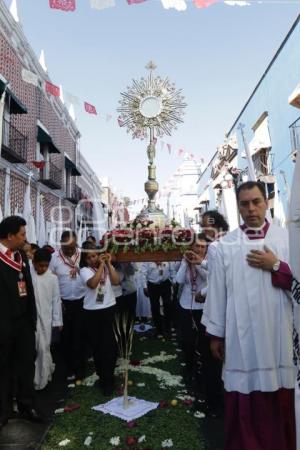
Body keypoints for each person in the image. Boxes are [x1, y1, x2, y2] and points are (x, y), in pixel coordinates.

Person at [202, 181, 296, 450]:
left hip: (280, 333)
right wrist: (216, 335)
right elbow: (217, 294)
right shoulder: (223, 247)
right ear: (238, 207)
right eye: (245, 204)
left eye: (256, 202)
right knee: (244, 396)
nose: (251, 209)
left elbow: (297, 283)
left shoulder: (286, 239)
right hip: (242, 338)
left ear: (266, 202)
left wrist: (276, 265)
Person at [0, 216, 43, 430]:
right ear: (9, 236)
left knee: (26, 365)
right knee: (3, 368)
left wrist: (32, 319)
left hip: (23, 323)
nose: (25, 238)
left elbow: (29, 288)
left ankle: (27, 406)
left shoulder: (21, 257)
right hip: (3, 324)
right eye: (22, 234)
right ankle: (4, 410)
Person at [79, 242, 120, 396]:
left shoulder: (106, 266)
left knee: (110, 346)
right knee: (97, 347)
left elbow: (116, 281)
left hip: (108, 308)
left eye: (94, 255)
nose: (92, 259)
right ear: (85, 259)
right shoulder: (84, 270)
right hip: (92, 312)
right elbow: (92, 284)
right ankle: (103, 378)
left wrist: (108, 264)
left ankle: (109, 378)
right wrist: (101, 267)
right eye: (88, 257)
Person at [49, 231, 86, 381]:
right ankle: (69, 369)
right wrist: (57, 302)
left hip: (82, 301)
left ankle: (80, 368)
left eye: (73, 247)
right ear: (61, 243)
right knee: (66, 338)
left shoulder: (82, 255)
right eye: (67, 248)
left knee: (80, 336)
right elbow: (50, 279)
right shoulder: (54, 258)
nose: (71, 251)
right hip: (63, 303)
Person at [176, 234, 208, 391]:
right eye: (197, 246)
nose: (200, 249)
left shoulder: (207, 262)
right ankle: (189, 368)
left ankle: (202, 370)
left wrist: (198, 263)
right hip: (186, 305)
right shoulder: (185, 260)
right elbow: (178, 280)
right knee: (187, 341)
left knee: (202, 341)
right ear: (192, 247)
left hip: (203, 306)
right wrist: (185, 262)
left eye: (203, 247)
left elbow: (210, 278)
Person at [31, 249, 63, 390]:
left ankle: (41, 381)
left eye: (45, 265)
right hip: (31, 319)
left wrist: (58, 321)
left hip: (47, 318)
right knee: (37, 348)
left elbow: (56, 300)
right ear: (34, 263)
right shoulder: (29, 275)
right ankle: (43, 373)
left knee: (44, 348)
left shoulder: (53, 278)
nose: (43, 268)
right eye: (40, 265)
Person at [140, 261, 176, 336]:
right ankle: (158, 329)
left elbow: (172, 270)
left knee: (168, 304)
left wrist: (174, 282)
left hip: (165, 283)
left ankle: (167, 328)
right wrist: (144, 287)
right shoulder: (147, 258)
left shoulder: (167, 255)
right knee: (154, 306)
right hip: (152, 285)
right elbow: (143, 273)